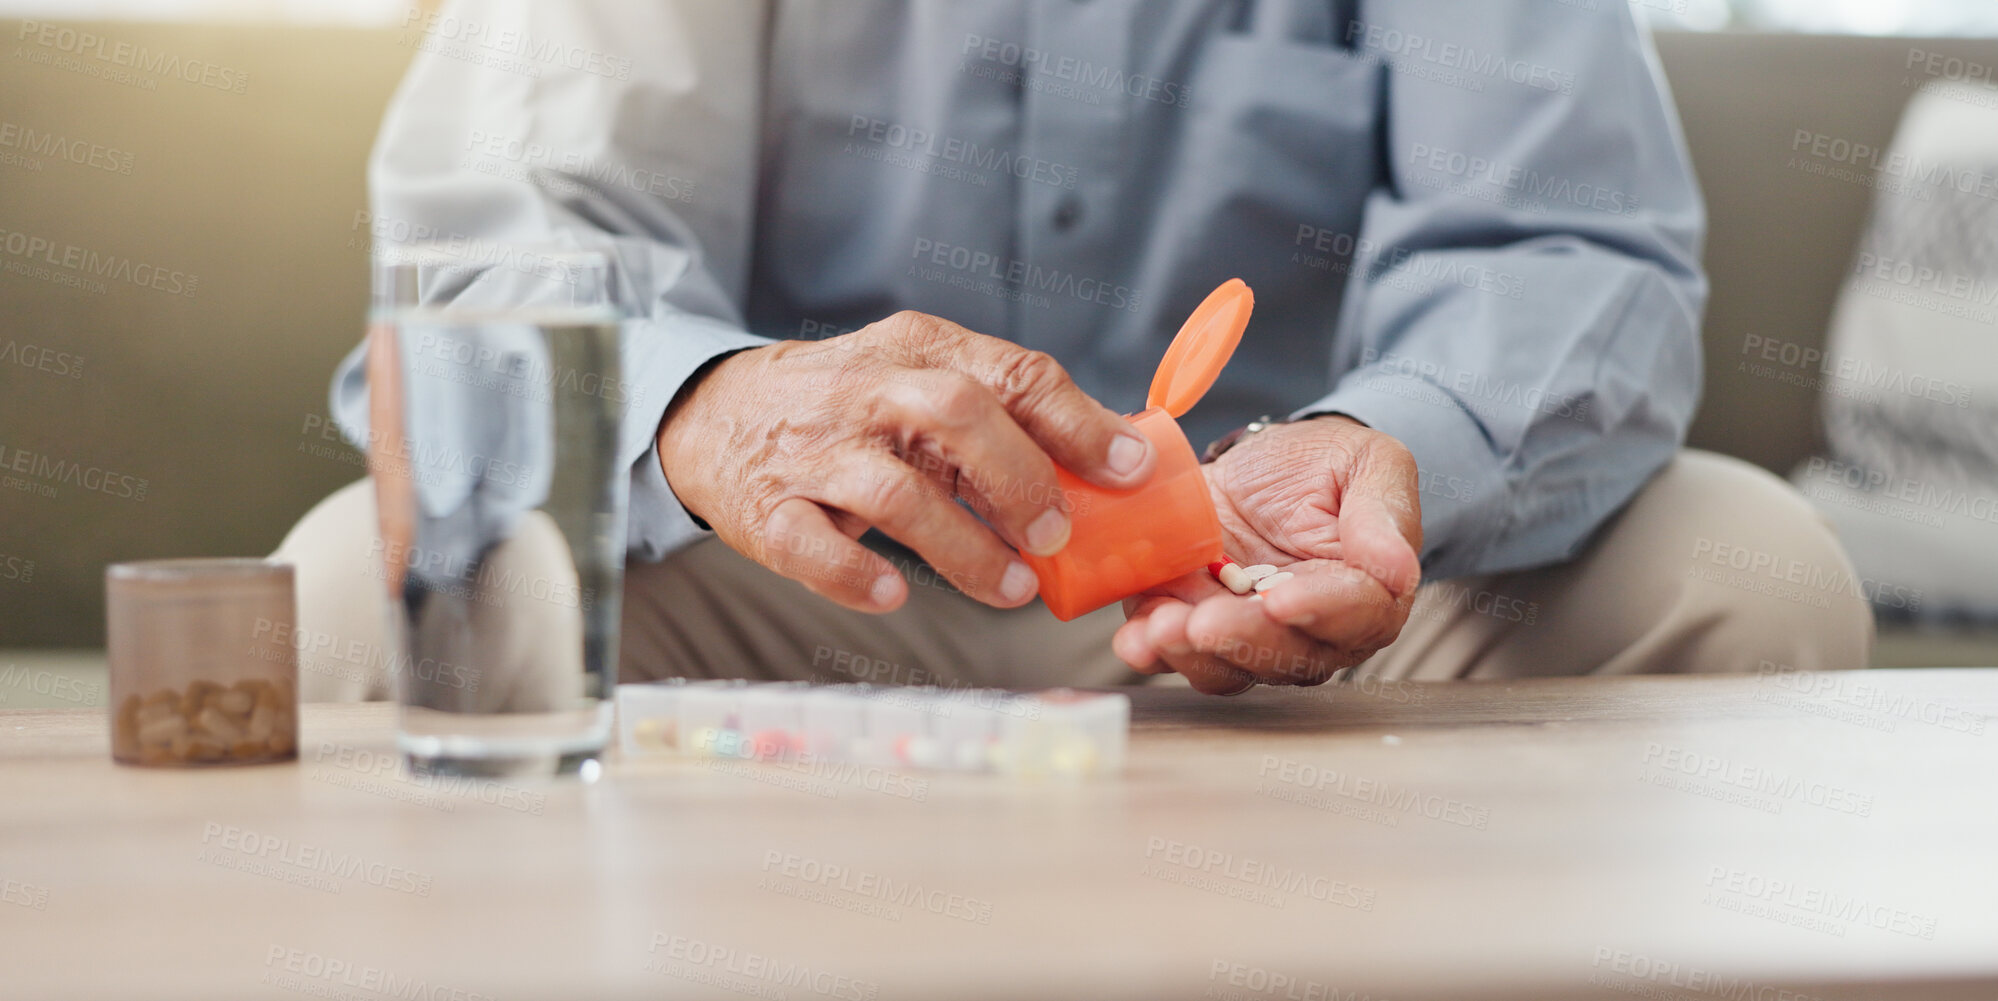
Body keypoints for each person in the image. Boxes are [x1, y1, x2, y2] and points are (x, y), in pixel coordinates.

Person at [277, 0, 1872, 701]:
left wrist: (1394, 439)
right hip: (824, 584)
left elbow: (1563, 234)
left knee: (1749, 566)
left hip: (1295, 579)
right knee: (368, 594)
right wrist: (711, 404)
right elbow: (506, 237)